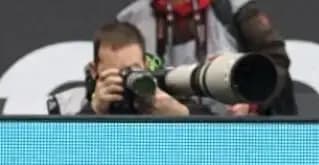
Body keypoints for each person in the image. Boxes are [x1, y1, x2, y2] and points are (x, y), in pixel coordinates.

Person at [116, 0, 297, 116]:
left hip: (231, 133)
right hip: (158, 133)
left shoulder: (236, 10)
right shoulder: (130, 19)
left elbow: (276, 62)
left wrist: (251, 101)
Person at [77, 21, 209, 115]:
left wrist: (181, 115)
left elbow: (214, 133)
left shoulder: (160, 93)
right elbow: (71, 141)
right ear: (94, 71)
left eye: (133, 70)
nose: (126, 79)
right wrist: (96, 112)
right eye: (117, 73)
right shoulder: (90, 102)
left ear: (145, 64)